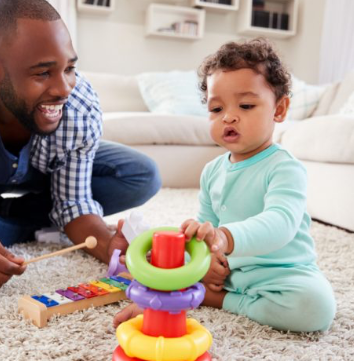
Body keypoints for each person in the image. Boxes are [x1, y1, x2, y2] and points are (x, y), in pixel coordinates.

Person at [0, 0, 161, 289]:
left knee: (141, 175)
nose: (64, 89)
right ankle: (26, 221)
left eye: (69, 68)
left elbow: (74, 202)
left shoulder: (79, 104)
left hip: (37, 171)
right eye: (43, 72)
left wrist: (108, 246)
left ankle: (8, 217)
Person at [114, 38, 336, 332]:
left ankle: (218, 300)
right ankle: (182, 289)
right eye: (216, 109)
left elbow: (280, 222)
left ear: (279, 110)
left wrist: (223, 239)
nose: (229, 116)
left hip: (281, 274)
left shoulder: (285, 167)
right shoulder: (211, 171)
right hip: (231, 271)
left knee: (315, 308)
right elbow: (208, 229)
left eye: (245, 105)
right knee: (171, 258)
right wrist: (206, 259)